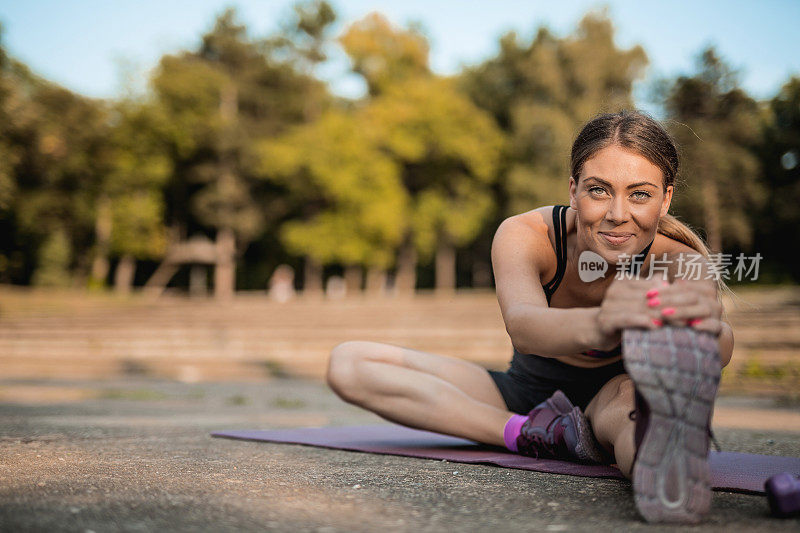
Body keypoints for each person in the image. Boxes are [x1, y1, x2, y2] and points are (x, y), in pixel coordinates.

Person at [325, 110, 735, 523]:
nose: (617, 213)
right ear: (573, 191)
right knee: (349, 364)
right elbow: (523, 326)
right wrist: (603, 323)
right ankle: (530, 435)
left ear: (666, 199)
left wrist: (701, 331)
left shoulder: (680, 261)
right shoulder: (529, 236)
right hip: (524, 396)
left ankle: (665, 465)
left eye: (640, 195)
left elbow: (716, 337)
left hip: (614, 396)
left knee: (638, 417)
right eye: (598, 190)